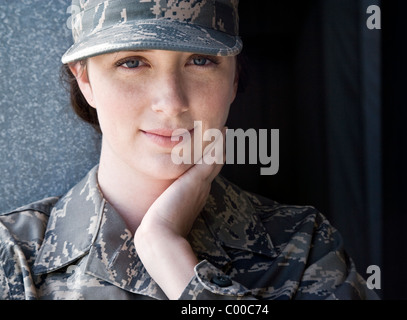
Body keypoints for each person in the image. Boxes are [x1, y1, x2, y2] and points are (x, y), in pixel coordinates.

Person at [0, 0, 378, 300]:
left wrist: (169, 254)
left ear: (233, 79)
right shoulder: (15, 256)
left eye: (200, 60)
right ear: (85, 80)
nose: (171, 101)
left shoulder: (301, 248)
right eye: (132, 62)